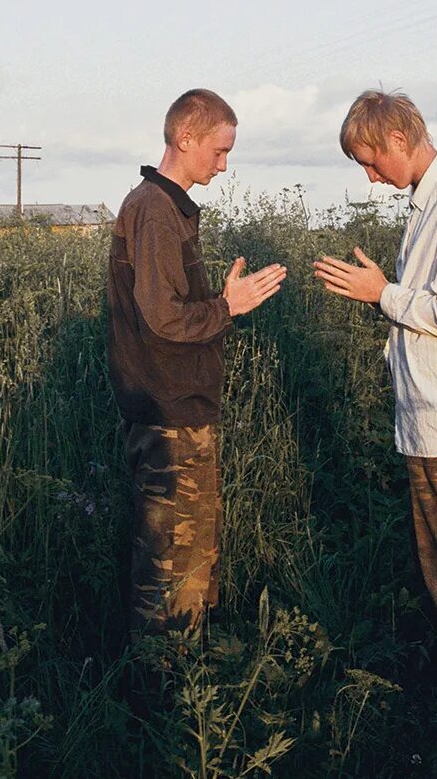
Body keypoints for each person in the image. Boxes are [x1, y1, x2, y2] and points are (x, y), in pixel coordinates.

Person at [313, 89, 437, 681]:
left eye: (371, 162)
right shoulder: (429, 206)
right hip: (431, 424)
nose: (370, 178)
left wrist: (384, 294)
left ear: (399, 140)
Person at [107, 88, 287, 636]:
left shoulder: (163, 208)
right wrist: (228, 306)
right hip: (168, 416)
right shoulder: (154, 211)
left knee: (190, 559)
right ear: (185, 138)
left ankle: (182, 682)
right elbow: (164, 318)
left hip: (180, 409)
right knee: (169, 567)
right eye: (219, 151)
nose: (224, 165)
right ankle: (161, 696)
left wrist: (219, 305)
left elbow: (170, 310)